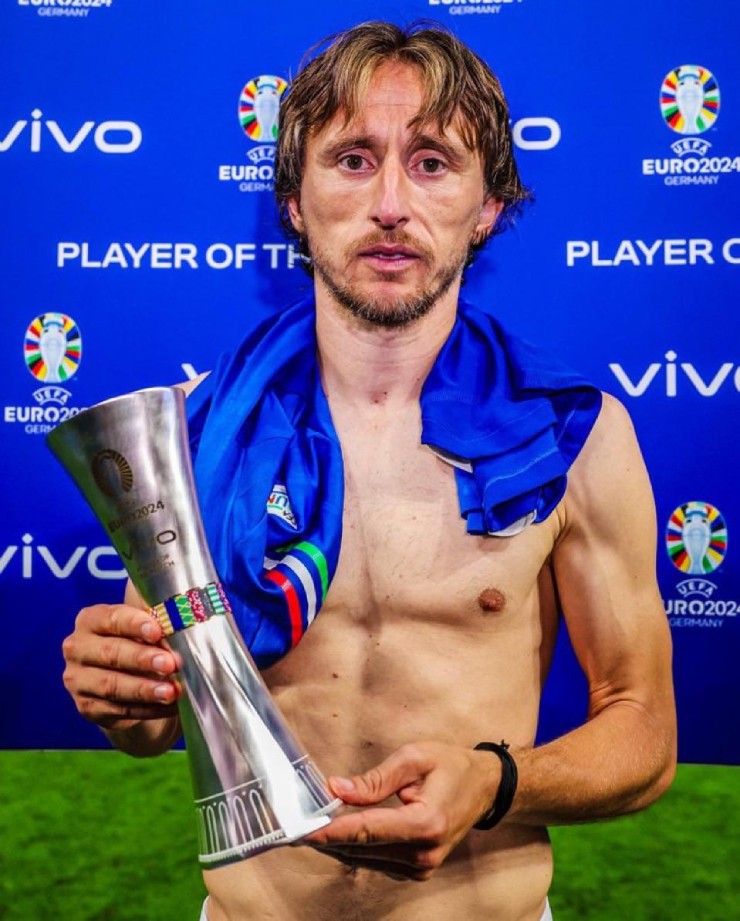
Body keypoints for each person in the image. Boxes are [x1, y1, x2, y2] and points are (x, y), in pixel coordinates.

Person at [60, 21, 676, 921]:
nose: (391, 203)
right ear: (295, 200)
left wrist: (495, 781)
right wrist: (122, 693)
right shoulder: (193, 434)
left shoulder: (574, 436)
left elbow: (645, 734)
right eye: (353, 160)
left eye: (432, 163)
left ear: (488, 204)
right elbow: (155, 721)